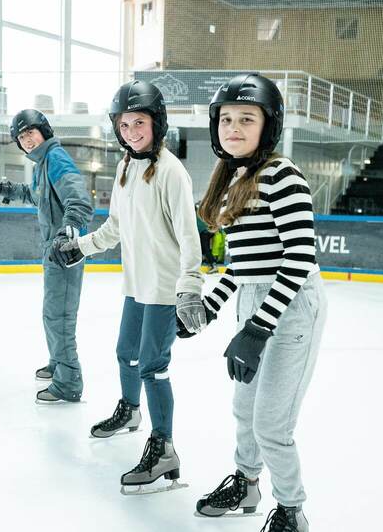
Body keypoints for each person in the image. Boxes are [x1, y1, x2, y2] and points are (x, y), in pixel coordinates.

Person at [179, 73, 327, 531]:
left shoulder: (283, 176)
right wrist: (208, 308)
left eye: (247, 118)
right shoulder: (231, 180)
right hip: (254, 301)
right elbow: (242, 267)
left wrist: (258, 329)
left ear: (269, 126)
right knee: (244, 410)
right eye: (226, 119)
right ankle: (246, 483)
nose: (234, 128)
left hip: (293, 302)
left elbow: (300, 258)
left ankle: (290, 510)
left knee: (271, 425)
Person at [53, 80, 204, 494]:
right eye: (124, 124)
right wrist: (81, 246)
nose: (131, 131)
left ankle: (164, 449)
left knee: (154, 366)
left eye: (139, 122)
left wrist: (191, 288)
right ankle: (131, 411)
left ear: (157, 124)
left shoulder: (173, 173)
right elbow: (115, 227)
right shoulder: (123, 168)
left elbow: (191, 239)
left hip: (164, 290)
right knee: (126, 354)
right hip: (137, 286)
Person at [0, 109, 93, 404]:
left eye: (30, 133)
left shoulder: (55, 157)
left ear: (44, 131)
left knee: (59, 315)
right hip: (53, 250)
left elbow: (78, 198)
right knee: (52, 312)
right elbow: (35, 195)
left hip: (63, 249)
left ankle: (69, 381)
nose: (27, 140)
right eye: (21, 137)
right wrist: (5, 188)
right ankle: (58, 362)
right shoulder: (43, 163)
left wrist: (68, 232)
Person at [196, 202, 219, 273]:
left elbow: (199, 225)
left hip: (205, 232)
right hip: (209, 231)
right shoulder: (206, 211)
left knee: (206, 248)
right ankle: (208, 261)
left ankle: (213, 264)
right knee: (205, 248)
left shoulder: (198, 212)